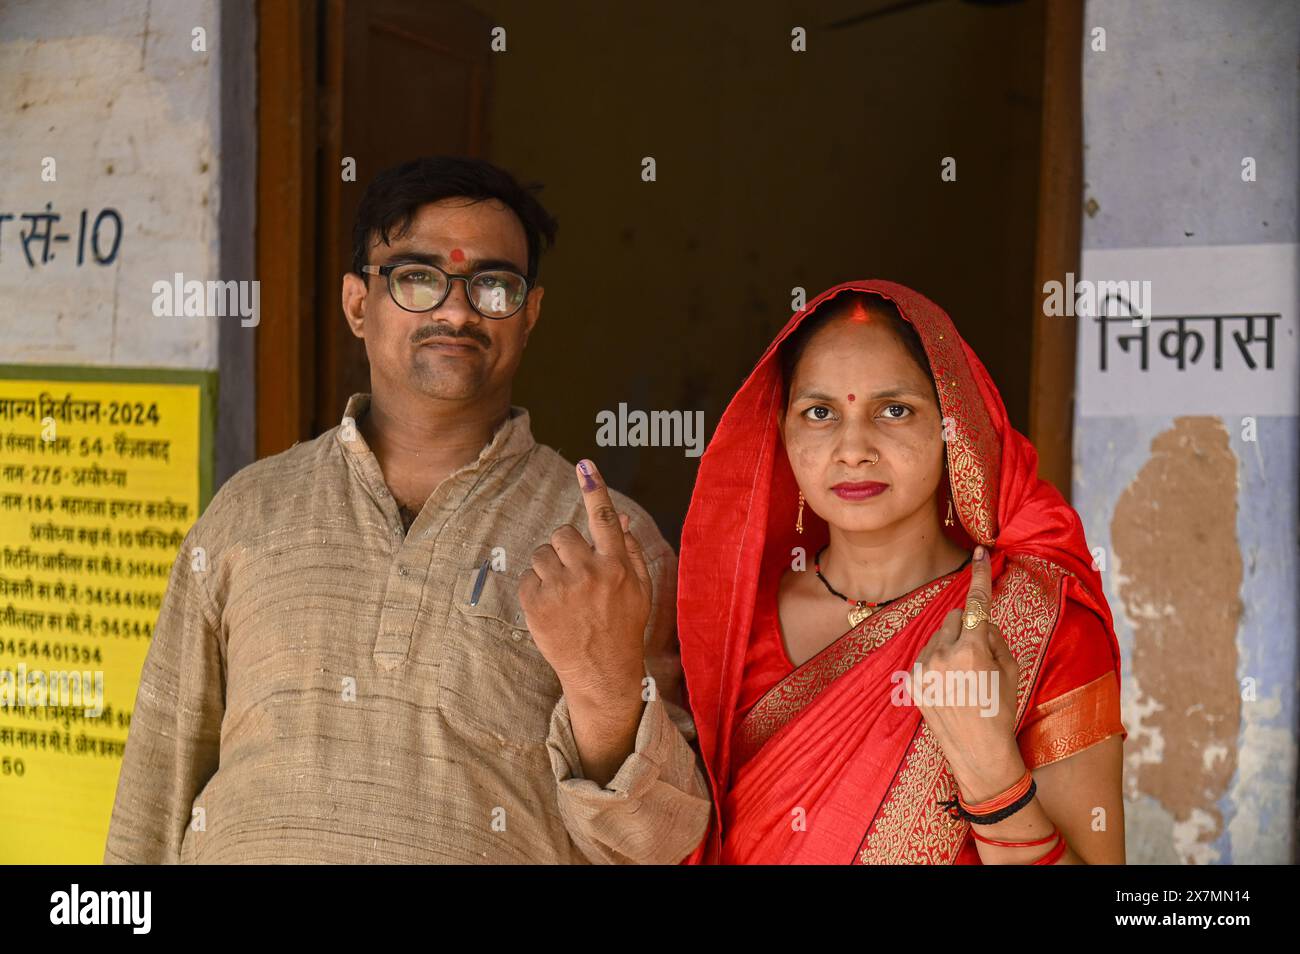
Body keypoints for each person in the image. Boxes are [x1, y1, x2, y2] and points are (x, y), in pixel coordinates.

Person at [105, 156, 710, 864]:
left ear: (529, 315)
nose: (456, 310)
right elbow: (157, 784)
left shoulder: (609, 544)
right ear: (359, 304)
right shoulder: (248, 512)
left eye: (492, 285)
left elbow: (661, 842)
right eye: (418, 278)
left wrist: (601, 685)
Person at [676, 280, 1127, 864]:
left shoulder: (1039, 625)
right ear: (782, 433)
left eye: (894, 410)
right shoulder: (732, 626)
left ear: (953, 428)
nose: (854, 447)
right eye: (819, 413)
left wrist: (990, 771)